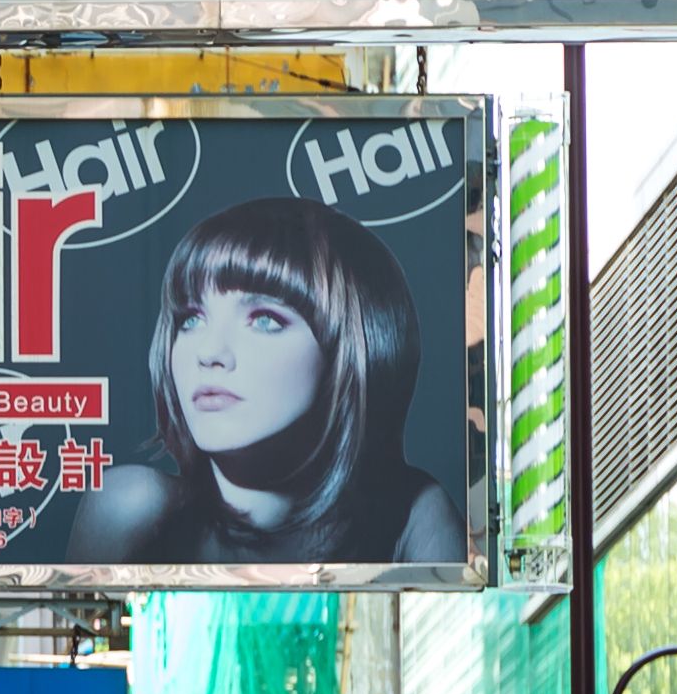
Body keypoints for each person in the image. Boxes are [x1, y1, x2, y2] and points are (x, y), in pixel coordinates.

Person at [52, 194, 466, 570]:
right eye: (191, 319)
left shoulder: (413, 514)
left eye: (265, 320)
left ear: (351, 348)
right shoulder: (130, 507)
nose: (209, 352)